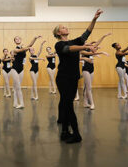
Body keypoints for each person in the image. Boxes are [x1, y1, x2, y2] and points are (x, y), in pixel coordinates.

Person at [53, 9, 103, 143]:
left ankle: (64, 132)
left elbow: (87, 32)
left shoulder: (75, 41)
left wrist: (94, 19)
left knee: (66, 103)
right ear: (59, 32)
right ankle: (76, 134)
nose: (66, 28)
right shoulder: (59, 44)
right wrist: (84, 46)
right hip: (63, 77)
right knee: (68, 104)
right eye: (63, 27)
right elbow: (68, 49)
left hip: (74, 77)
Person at [12, 35, 42, 109]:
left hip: (21, 69)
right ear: (15, 41)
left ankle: (15, 103)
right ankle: (21, 103)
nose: (17, 39)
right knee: (18, 87)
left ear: (21, 39)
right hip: (14, 69)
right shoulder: (14, 49)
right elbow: (20, 50)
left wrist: (35, 38)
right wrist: (27, 47)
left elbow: (30, 44)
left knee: (17, 87)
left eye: (19, 38)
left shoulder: (24, 48)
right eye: (16, 39)